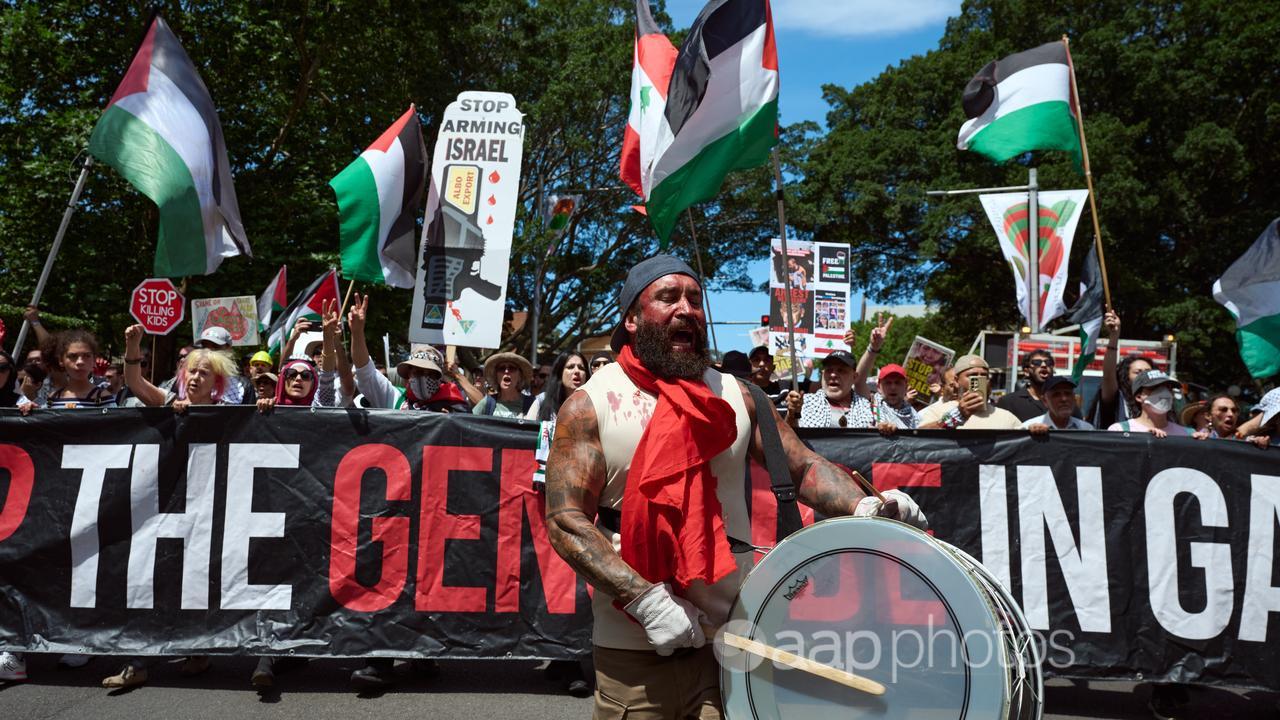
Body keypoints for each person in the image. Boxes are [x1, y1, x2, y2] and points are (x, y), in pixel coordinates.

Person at [544, 255, 925, 720]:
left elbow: (802, 468)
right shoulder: (590, 403)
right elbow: (566, 521)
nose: (687, 308)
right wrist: (645, 601)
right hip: (635, 649)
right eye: (668, 297)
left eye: (695, 299)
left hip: (737, 643)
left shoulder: (739, 395)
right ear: (632, 318)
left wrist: (865, 504)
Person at [345, 294, 473, 414]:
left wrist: (450, 423)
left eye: (428, 373)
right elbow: (365, 372)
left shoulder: (455, 407)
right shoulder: (396, 399)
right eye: (416, 373)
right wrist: (357, 333)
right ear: (408, 375)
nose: (422, 378)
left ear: (439, 378)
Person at [917, 355, 1022, 429]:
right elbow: (919, 440)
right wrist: (957, 416)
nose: (979, 379)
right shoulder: (936, 411)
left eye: (984, 376)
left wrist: (1034, 429)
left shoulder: (1006, 417)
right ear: (957, 381)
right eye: (973, 375)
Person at [784, 350, 874, 428]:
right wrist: (792, 415)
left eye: (841, 370)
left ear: (854, 377)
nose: (833, 375)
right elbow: (791, 438)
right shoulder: (805, 402)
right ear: (822, 374)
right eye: (829, 370)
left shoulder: (867, 407)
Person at [1106, 370, 1199, 438]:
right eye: (1155, 388)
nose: (1164, 393)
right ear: (1139, 397)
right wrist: (1144, 440)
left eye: (1168, 388)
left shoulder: (1187, 434)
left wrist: (1202, 443)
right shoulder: (1120, 430)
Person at [528, 351, 591, 422]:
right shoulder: (542, 401)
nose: (577, 371)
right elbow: (527, 431)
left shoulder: (593, 406)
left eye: (581, 368)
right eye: (570, 367)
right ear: (560, 373)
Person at [997, 349, 1055, 421]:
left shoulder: (1063, 401)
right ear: (1026, 372)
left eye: (1048, 362)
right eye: (1037, 362)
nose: (1044, 365)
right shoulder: (1008, 402)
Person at [474, 352, 535, 417]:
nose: (506, 371)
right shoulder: (487, 403)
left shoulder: (532, 404)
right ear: (496, 376)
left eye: (512, 368)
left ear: (520, 376)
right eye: (502, 368)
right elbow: (468, 423)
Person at [1024, 376, 1094, 433]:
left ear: (1074, 398)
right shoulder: (1027, 428)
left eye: (1068, 393)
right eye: (1056, 395)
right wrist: (1029, 436)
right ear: (1045, 401)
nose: (1064, 399)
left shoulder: (1087, 430)